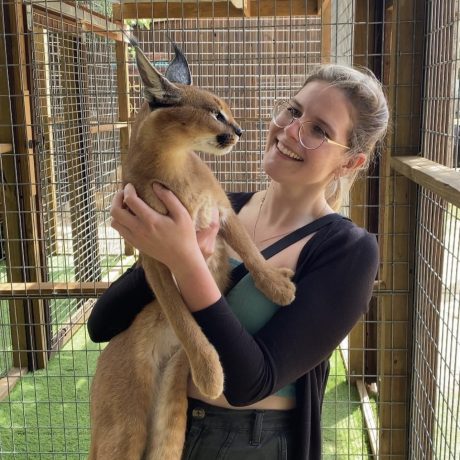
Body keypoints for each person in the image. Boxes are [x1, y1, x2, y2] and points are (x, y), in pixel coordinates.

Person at [87, 63, 389, 459]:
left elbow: (252, 381)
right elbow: (102, 323)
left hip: (249, 442)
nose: (291, 131)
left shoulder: (348, 251)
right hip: (164, 418)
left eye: (319, 130)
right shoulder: (226, 204)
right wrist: (156, 247)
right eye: (294, 111)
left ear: (351, 162)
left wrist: (186, 261)